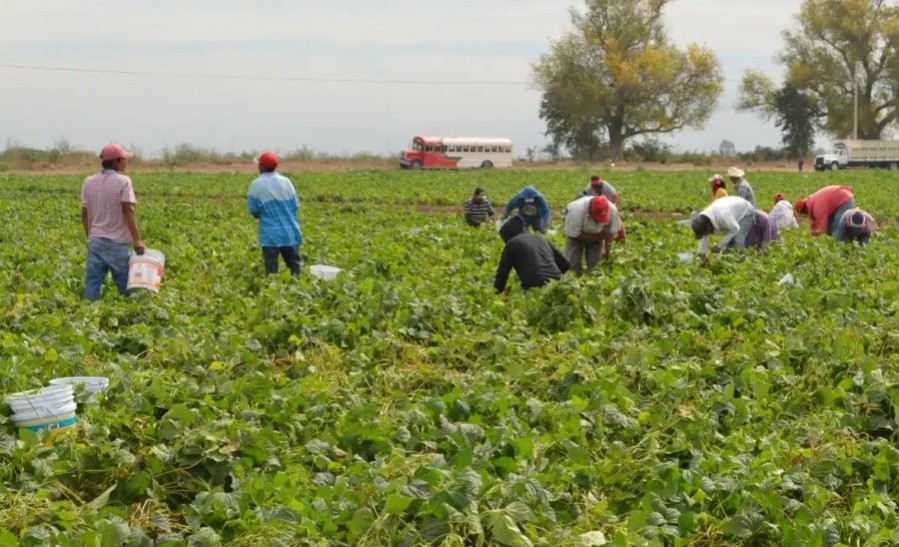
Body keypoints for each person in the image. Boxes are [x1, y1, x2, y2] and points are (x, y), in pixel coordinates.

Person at [81, 143, 145, 301]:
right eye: (123, 159)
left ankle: (87, 311)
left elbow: (85, 213)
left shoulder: (89, 182)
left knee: (92, 283)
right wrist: (137, 239)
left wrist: (90, 237)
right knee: (125, 286)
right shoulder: (124, 182)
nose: (126, 162)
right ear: (116, 161)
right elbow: (128, 209)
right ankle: (130, 312)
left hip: (95, 241)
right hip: (118, 244)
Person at [247, 152, 303, 275]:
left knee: (272, 272)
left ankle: (274, 287)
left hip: (270, 236)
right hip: (290, 233)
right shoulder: (286, 181)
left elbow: (253, 210)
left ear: (262, 167)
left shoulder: (256, 184)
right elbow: (295, 206)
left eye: (259, 164)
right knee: (295, 269)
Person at [493, 216, 570, 293]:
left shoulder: (511, 244)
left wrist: (497, 292)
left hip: (534, 286)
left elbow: (502, 272)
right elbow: (564, 263)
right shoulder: (541, 237)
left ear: (508, 235)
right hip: (555, 282)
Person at [563, 195, 625, 274]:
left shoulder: (612, 210)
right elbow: (574, 234)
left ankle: (592, 277)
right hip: (576, 235)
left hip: (598, 234)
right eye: (597, 218)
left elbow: (611, 233)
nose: (599, 222)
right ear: (590, 210)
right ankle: (575, 275)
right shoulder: (576, 211)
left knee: (595, 265)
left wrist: (607, 253)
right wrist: (599, 237)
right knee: (573, 263)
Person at [690, 196, 756, 255]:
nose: (706, 234)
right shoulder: (704, 221)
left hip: (746, 212)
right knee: (729, 242)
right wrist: (701, 253)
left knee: (738, 239)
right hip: (731, 213)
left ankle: (741, 259)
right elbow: (703, 237)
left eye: (705, 232)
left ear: (708, 226)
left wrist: (719, 246)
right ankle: (731, 256)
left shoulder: (722, 216)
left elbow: (735, 228)